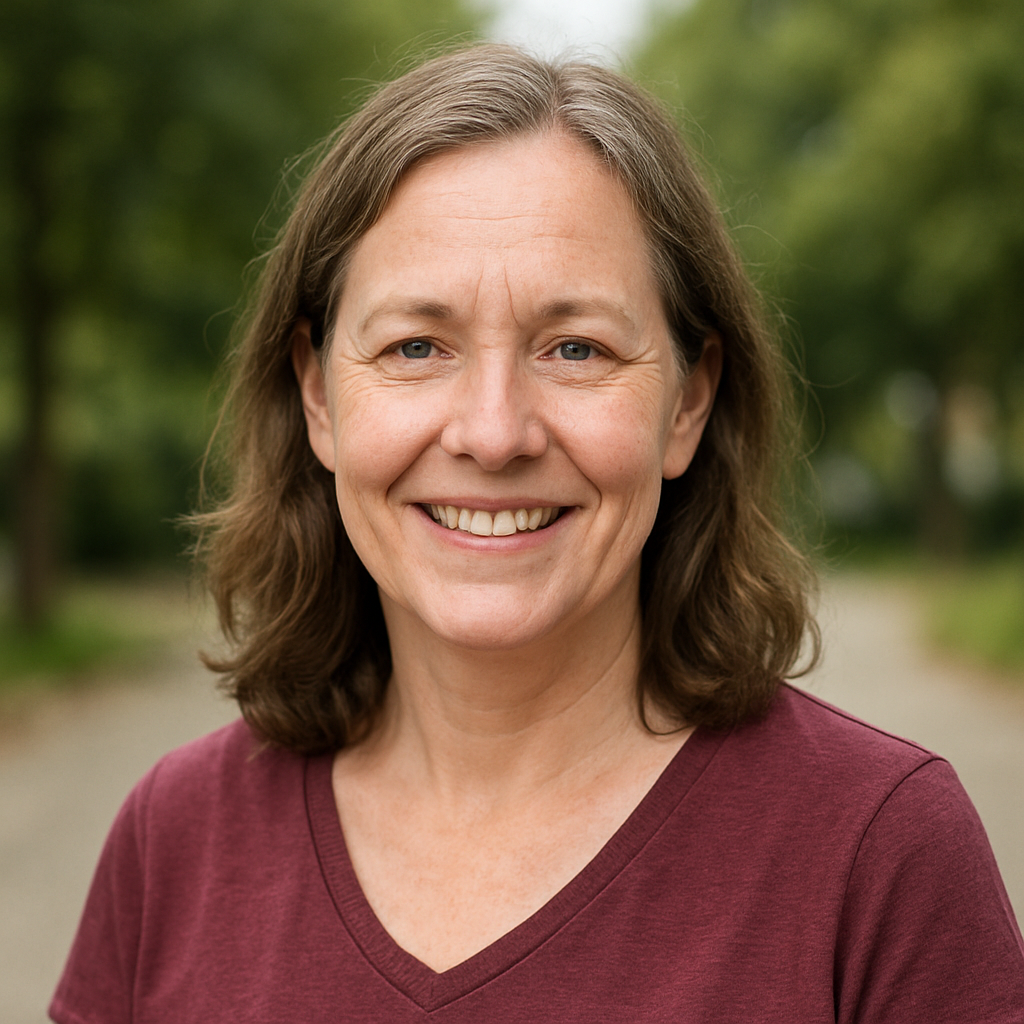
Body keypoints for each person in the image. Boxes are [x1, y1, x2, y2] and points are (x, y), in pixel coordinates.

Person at [51, 45, 1023, 1022]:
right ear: (316, 395)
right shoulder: (171, 842)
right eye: (416, 346)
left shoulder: (878, 856)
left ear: (688, 400)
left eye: (574, 347)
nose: (493, 432)